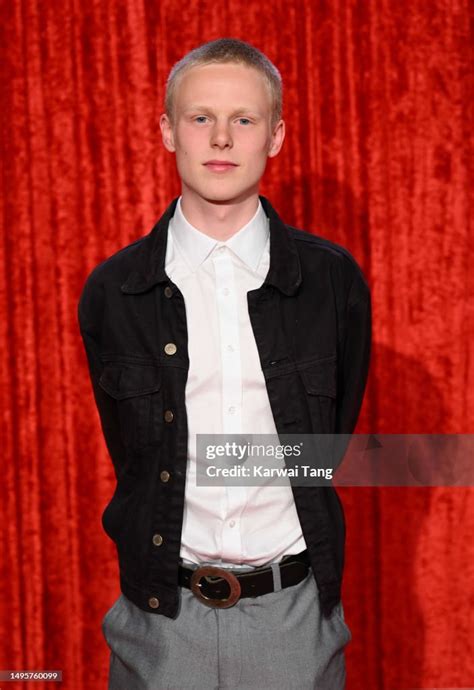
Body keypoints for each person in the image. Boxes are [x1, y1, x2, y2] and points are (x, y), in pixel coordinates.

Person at [78, 37, 371, 690]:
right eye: (200, 117)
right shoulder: (113, 289)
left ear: (276, 135)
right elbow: (131, 452)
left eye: (244, 119)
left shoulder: (332, 282)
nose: (221, 138)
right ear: (167, 131)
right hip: (159, 622)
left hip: (294, 623)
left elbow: (331, 440)